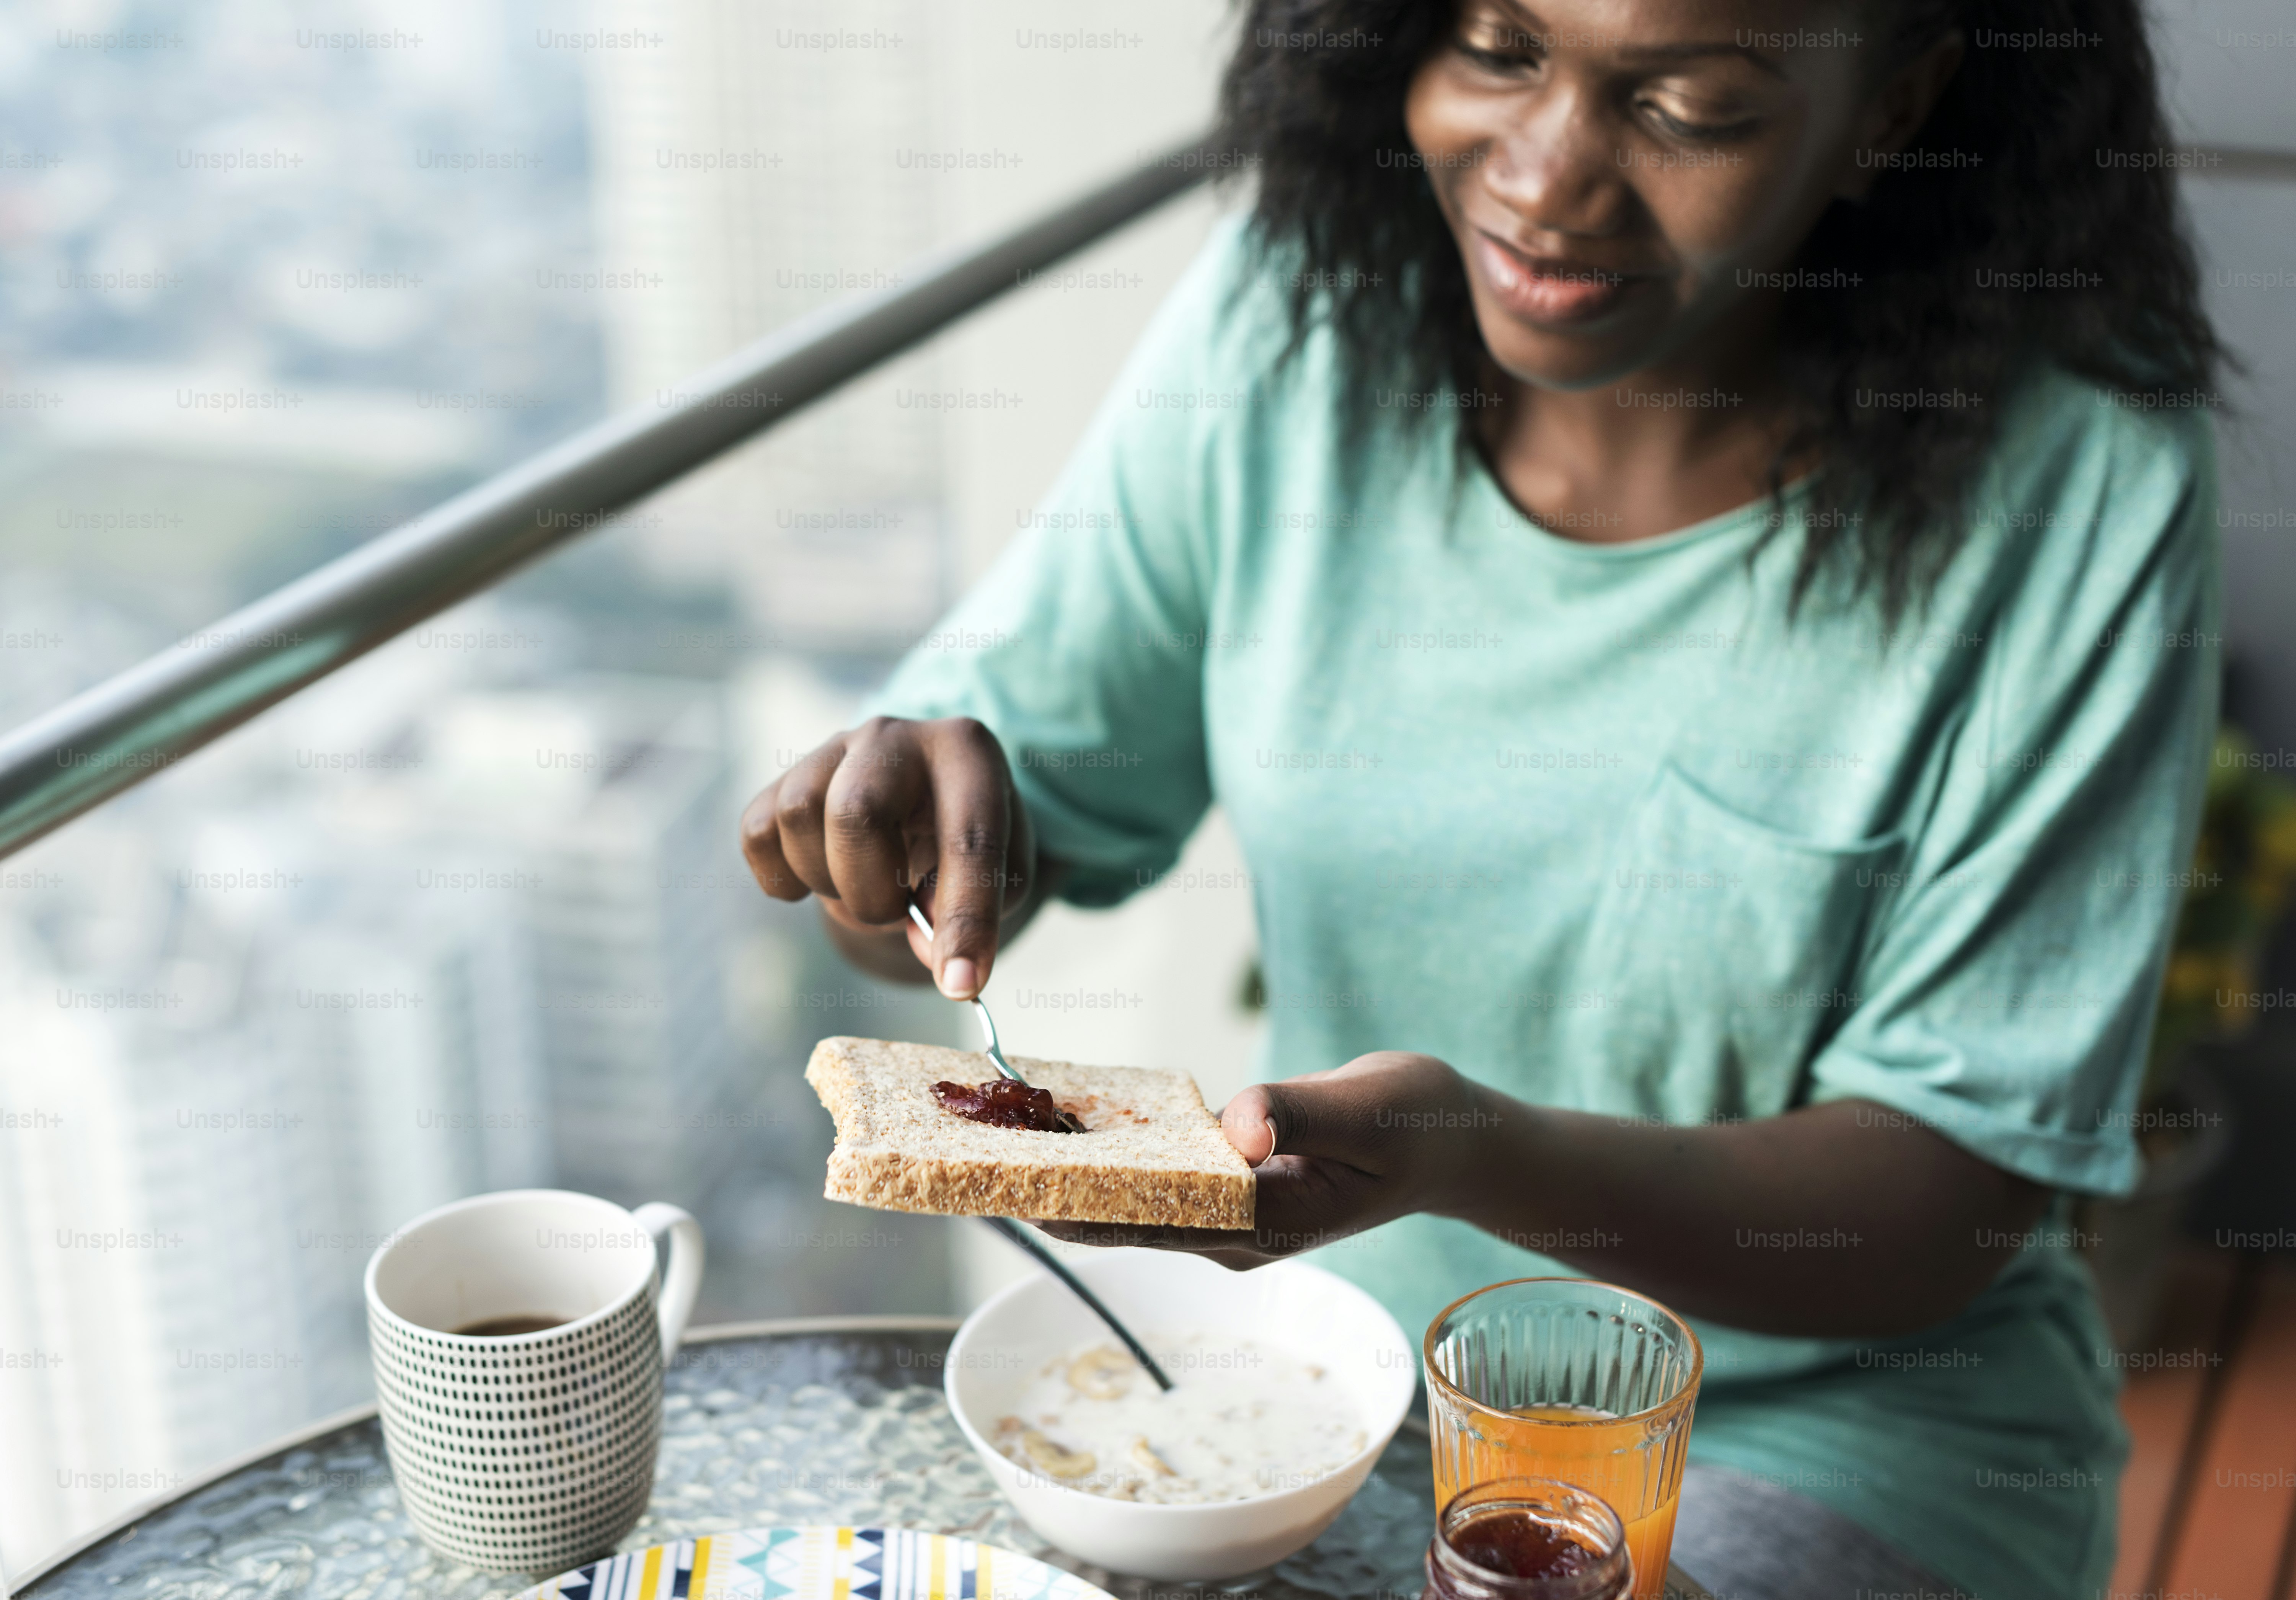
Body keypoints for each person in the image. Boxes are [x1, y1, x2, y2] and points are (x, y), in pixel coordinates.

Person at [739, 2, 2222, 1595]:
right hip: (1336, 1393)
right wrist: (894, 841)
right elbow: (953, 894)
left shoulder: (2082, 476)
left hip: (1826, 1441)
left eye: (1691, 105)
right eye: (1502, 47)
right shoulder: (1301, 314)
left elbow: (1944, 1200)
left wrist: (1464, 1152)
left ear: (1890, 108)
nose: (1549, 178)